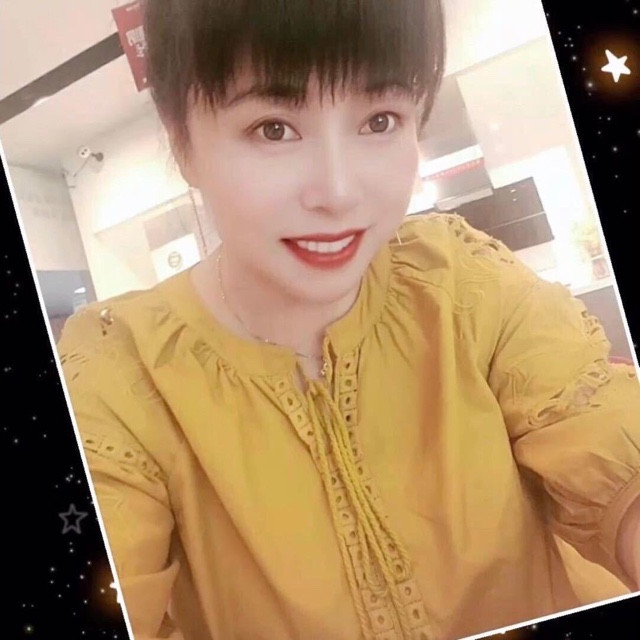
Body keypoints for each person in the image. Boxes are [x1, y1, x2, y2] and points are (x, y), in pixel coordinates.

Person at [57, 0, 640, 638]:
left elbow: (606, 445)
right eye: (273, 128)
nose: (338, 192)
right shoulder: (119, 371)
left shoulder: (462, 280)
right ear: (183, 144)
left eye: (380, 120)